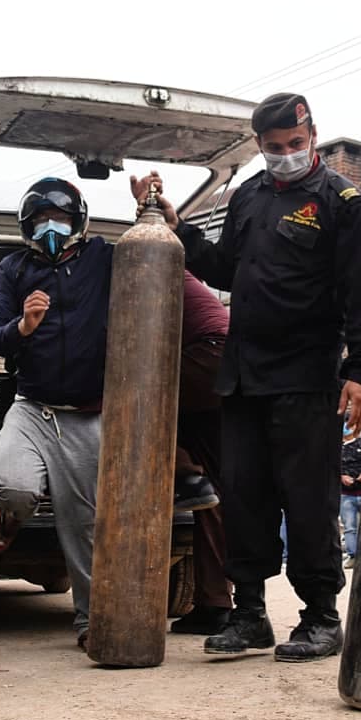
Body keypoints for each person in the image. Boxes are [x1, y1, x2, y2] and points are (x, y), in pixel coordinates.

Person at [134, 91, 361, 664]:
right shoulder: (248, 195)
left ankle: (321, 616)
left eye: (296, 145)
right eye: (274, 148)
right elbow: (224, 267)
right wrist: (180, 229)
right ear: (260, 146)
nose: (286, 155)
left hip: (307, 376)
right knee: (243, 496)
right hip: (244, 377)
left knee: (308, 500)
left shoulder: (343, 204)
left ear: (313, 135)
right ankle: (248, 614)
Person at [0, 178, 110, 649]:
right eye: (40, 221)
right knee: (16, 488)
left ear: (78, 221)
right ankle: (11, 519)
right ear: (26, 227)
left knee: (82, 526)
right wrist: (23, 325)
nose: (50, 228)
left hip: (86, 414)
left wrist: (150, 211)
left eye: (57, 219)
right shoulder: (13, 269)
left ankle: (90, 623)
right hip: (32, 408)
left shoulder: (103, 258)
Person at [169, 271, 234, 636]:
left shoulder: (144, 265)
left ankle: (186, 471)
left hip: (206, 355)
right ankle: (216, 603)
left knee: (130, 392)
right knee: (213, 498)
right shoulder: (188, 278)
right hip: (226, 368)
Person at [339, 428, 361, 569]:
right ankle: (353, 555)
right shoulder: (336, 449)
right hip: (346, 494)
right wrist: (341, 477)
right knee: (350, 527)